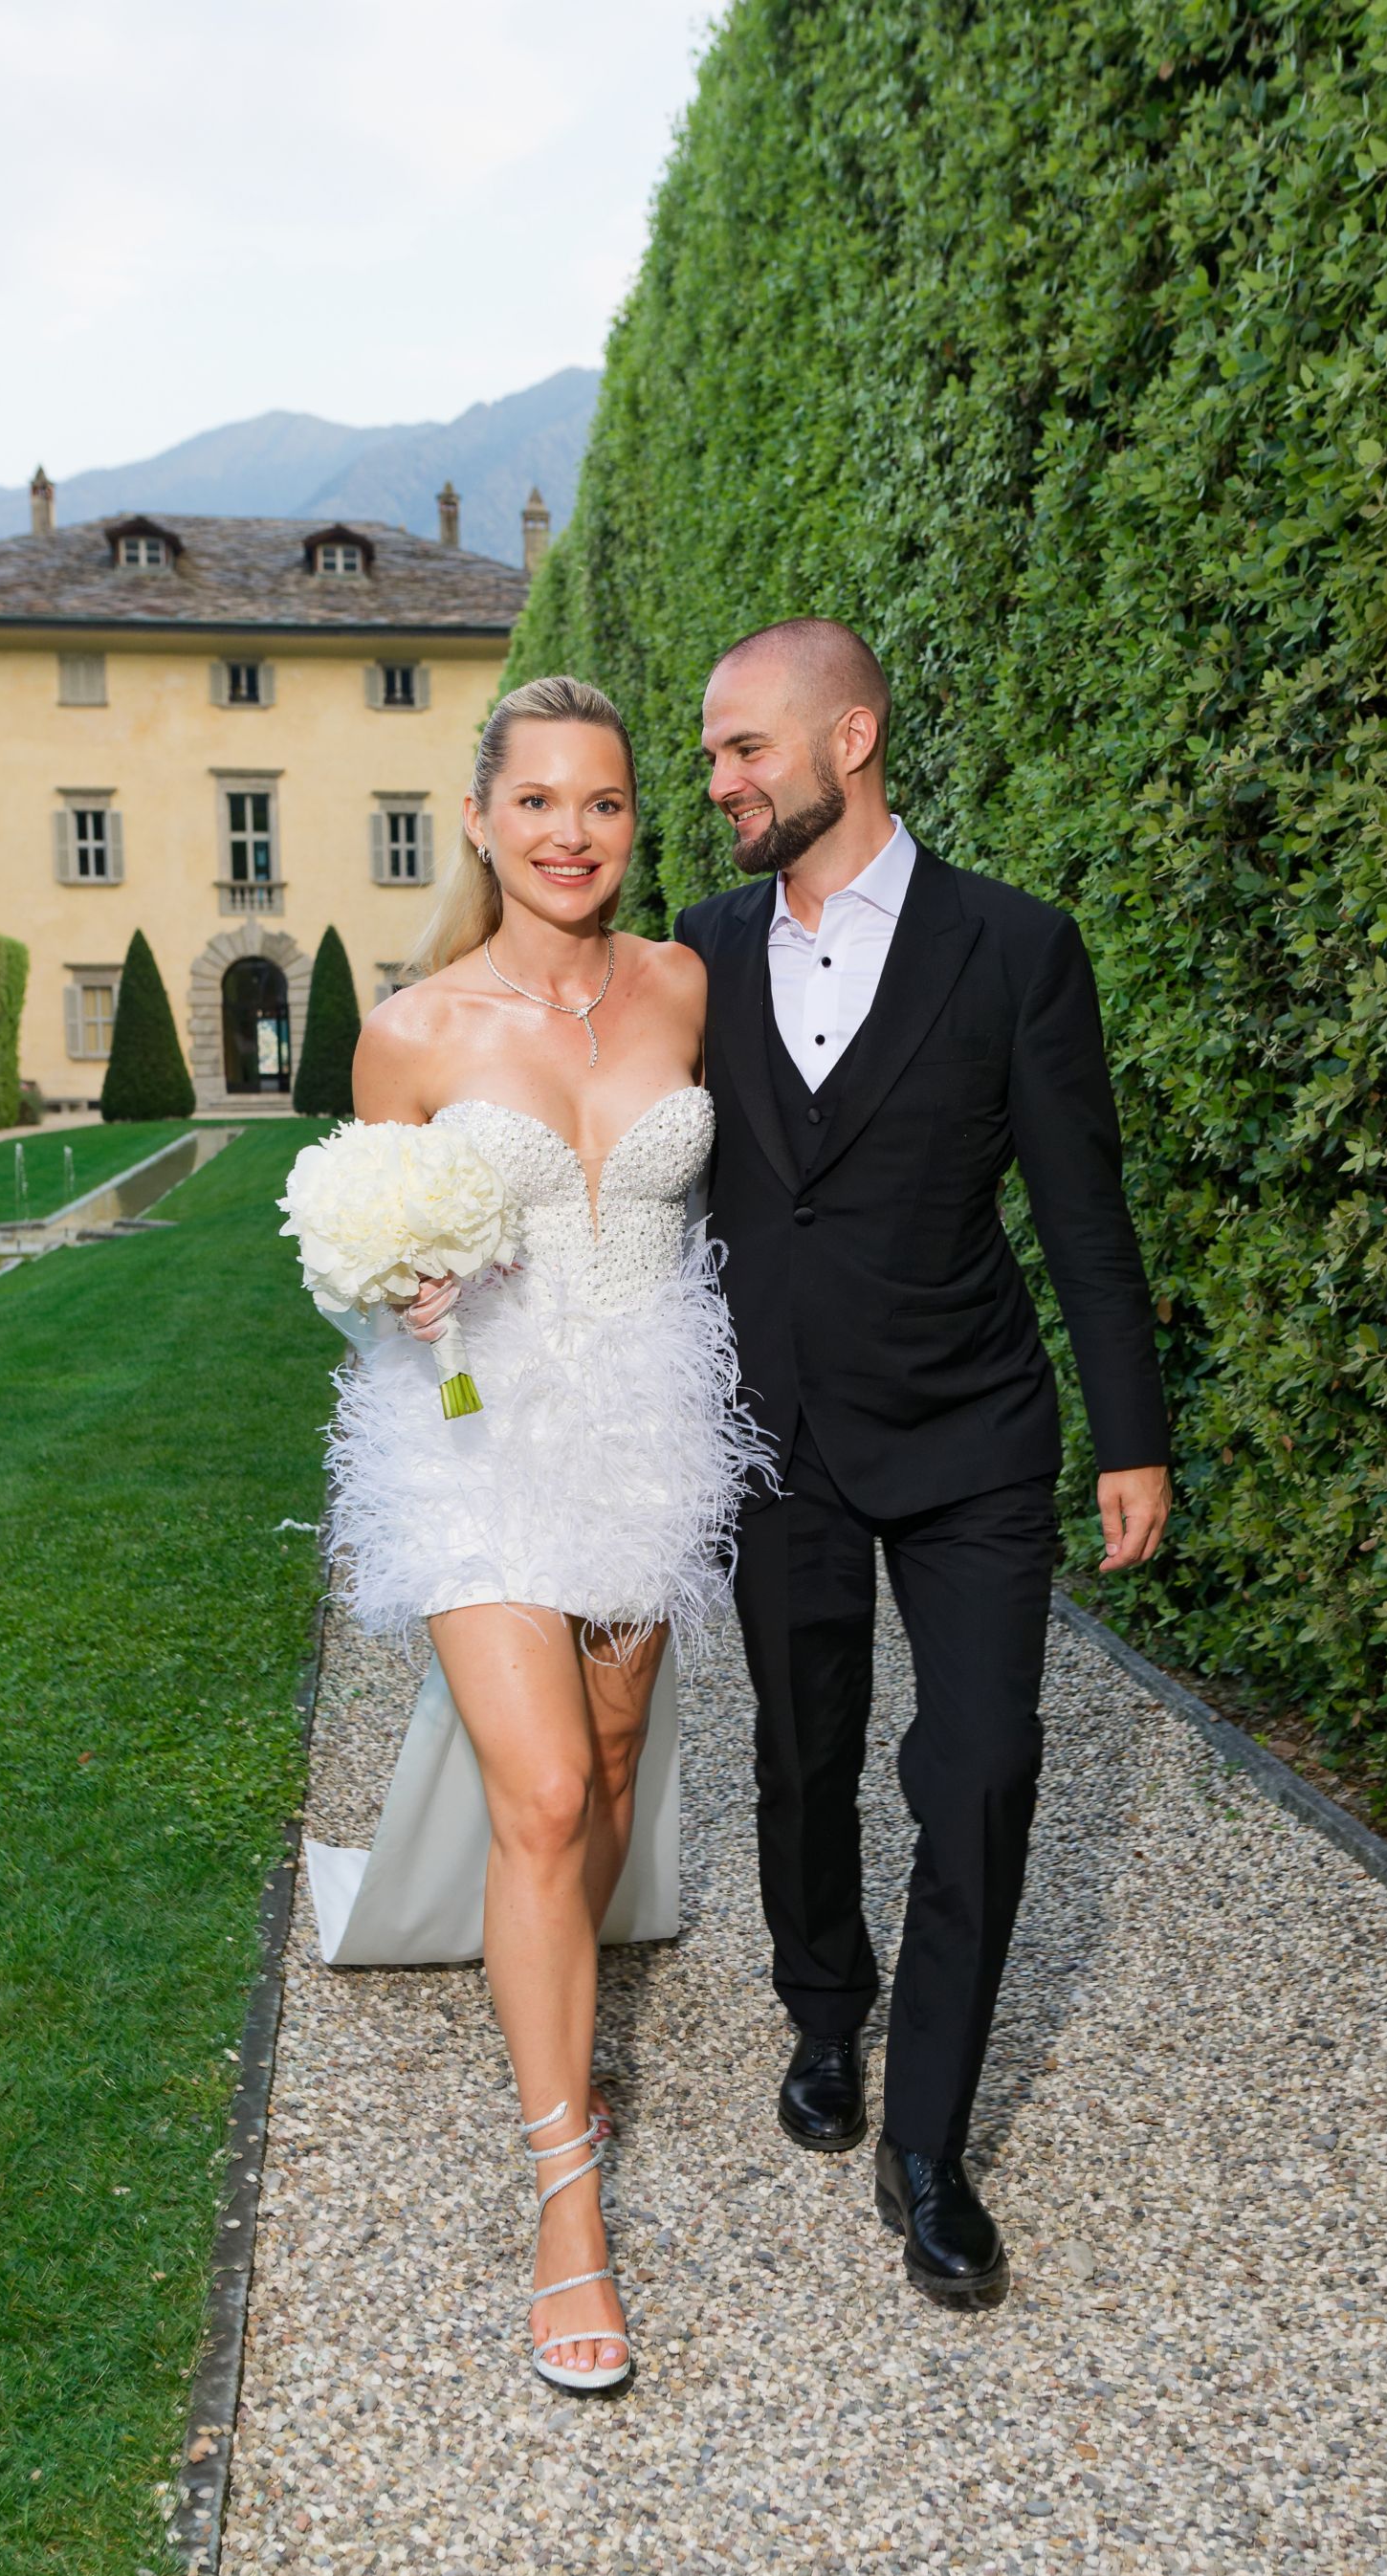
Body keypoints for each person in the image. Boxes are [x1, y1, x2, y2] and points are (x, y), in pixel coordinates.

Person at [675, 618, 1171, 2311]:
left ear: (852, 738)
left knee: (980, 1774)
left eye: (746, 750)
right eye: (714, 756)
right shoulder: (697, 953)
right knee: (802, 1758)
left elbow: (1083, 1212)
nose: (721, 782)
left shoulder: (1016, 948)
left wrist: (1133, 1433)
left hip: (969, 1434)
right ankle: (826, 2013)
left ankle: (932, 2143)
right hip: (778, 1438)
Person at [325, 674, 770, 2395]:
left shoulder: (686, 986)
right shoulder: (415, 1028)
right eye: (538, 804)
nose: (570, 835)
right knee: (549, 1790)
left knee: (606, 1753)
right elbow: (348, 1247)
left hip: (650, 1439)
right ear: (485, 818)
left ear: (633, 818)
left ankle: (551, 1990)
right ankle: (566, 2197)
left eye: (602, 803)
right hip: (474, 1442)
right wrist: (401, 1292)